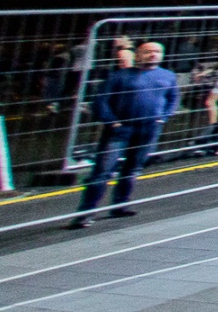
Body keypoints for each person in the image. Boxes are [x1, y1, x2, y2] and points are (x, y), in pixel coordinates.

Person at [68, 40, 180, 228]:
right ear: (138, 55)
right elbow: (100, 101)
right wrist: (112, 122)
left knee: (132, 169)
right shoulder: (119, 76)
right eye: (148, 51)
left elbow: (173, 98)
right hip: (120, 130)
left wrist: (163, 117)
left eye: (157, 51)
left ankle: (120, 205)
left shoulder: (168, 76)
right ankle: (85, 213)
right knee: (103, 171)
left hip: (149, 129)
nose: (153, 54)